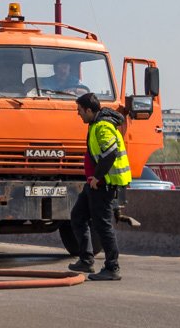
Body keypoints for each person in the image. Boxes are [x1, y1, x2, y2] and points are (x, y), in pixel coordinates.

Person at [69, 92, 131, 281]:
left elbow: (110, 154)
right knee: (78, 216)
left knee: (102, 225)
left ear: (89, 110)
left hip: (104, 184)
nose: (78, 114)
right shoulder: (95, 124)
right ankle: (86, 260)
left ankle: (112, 267)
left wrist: (97, 177)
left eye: (80, 110)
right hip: (94, 184)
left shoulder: (103, 126)